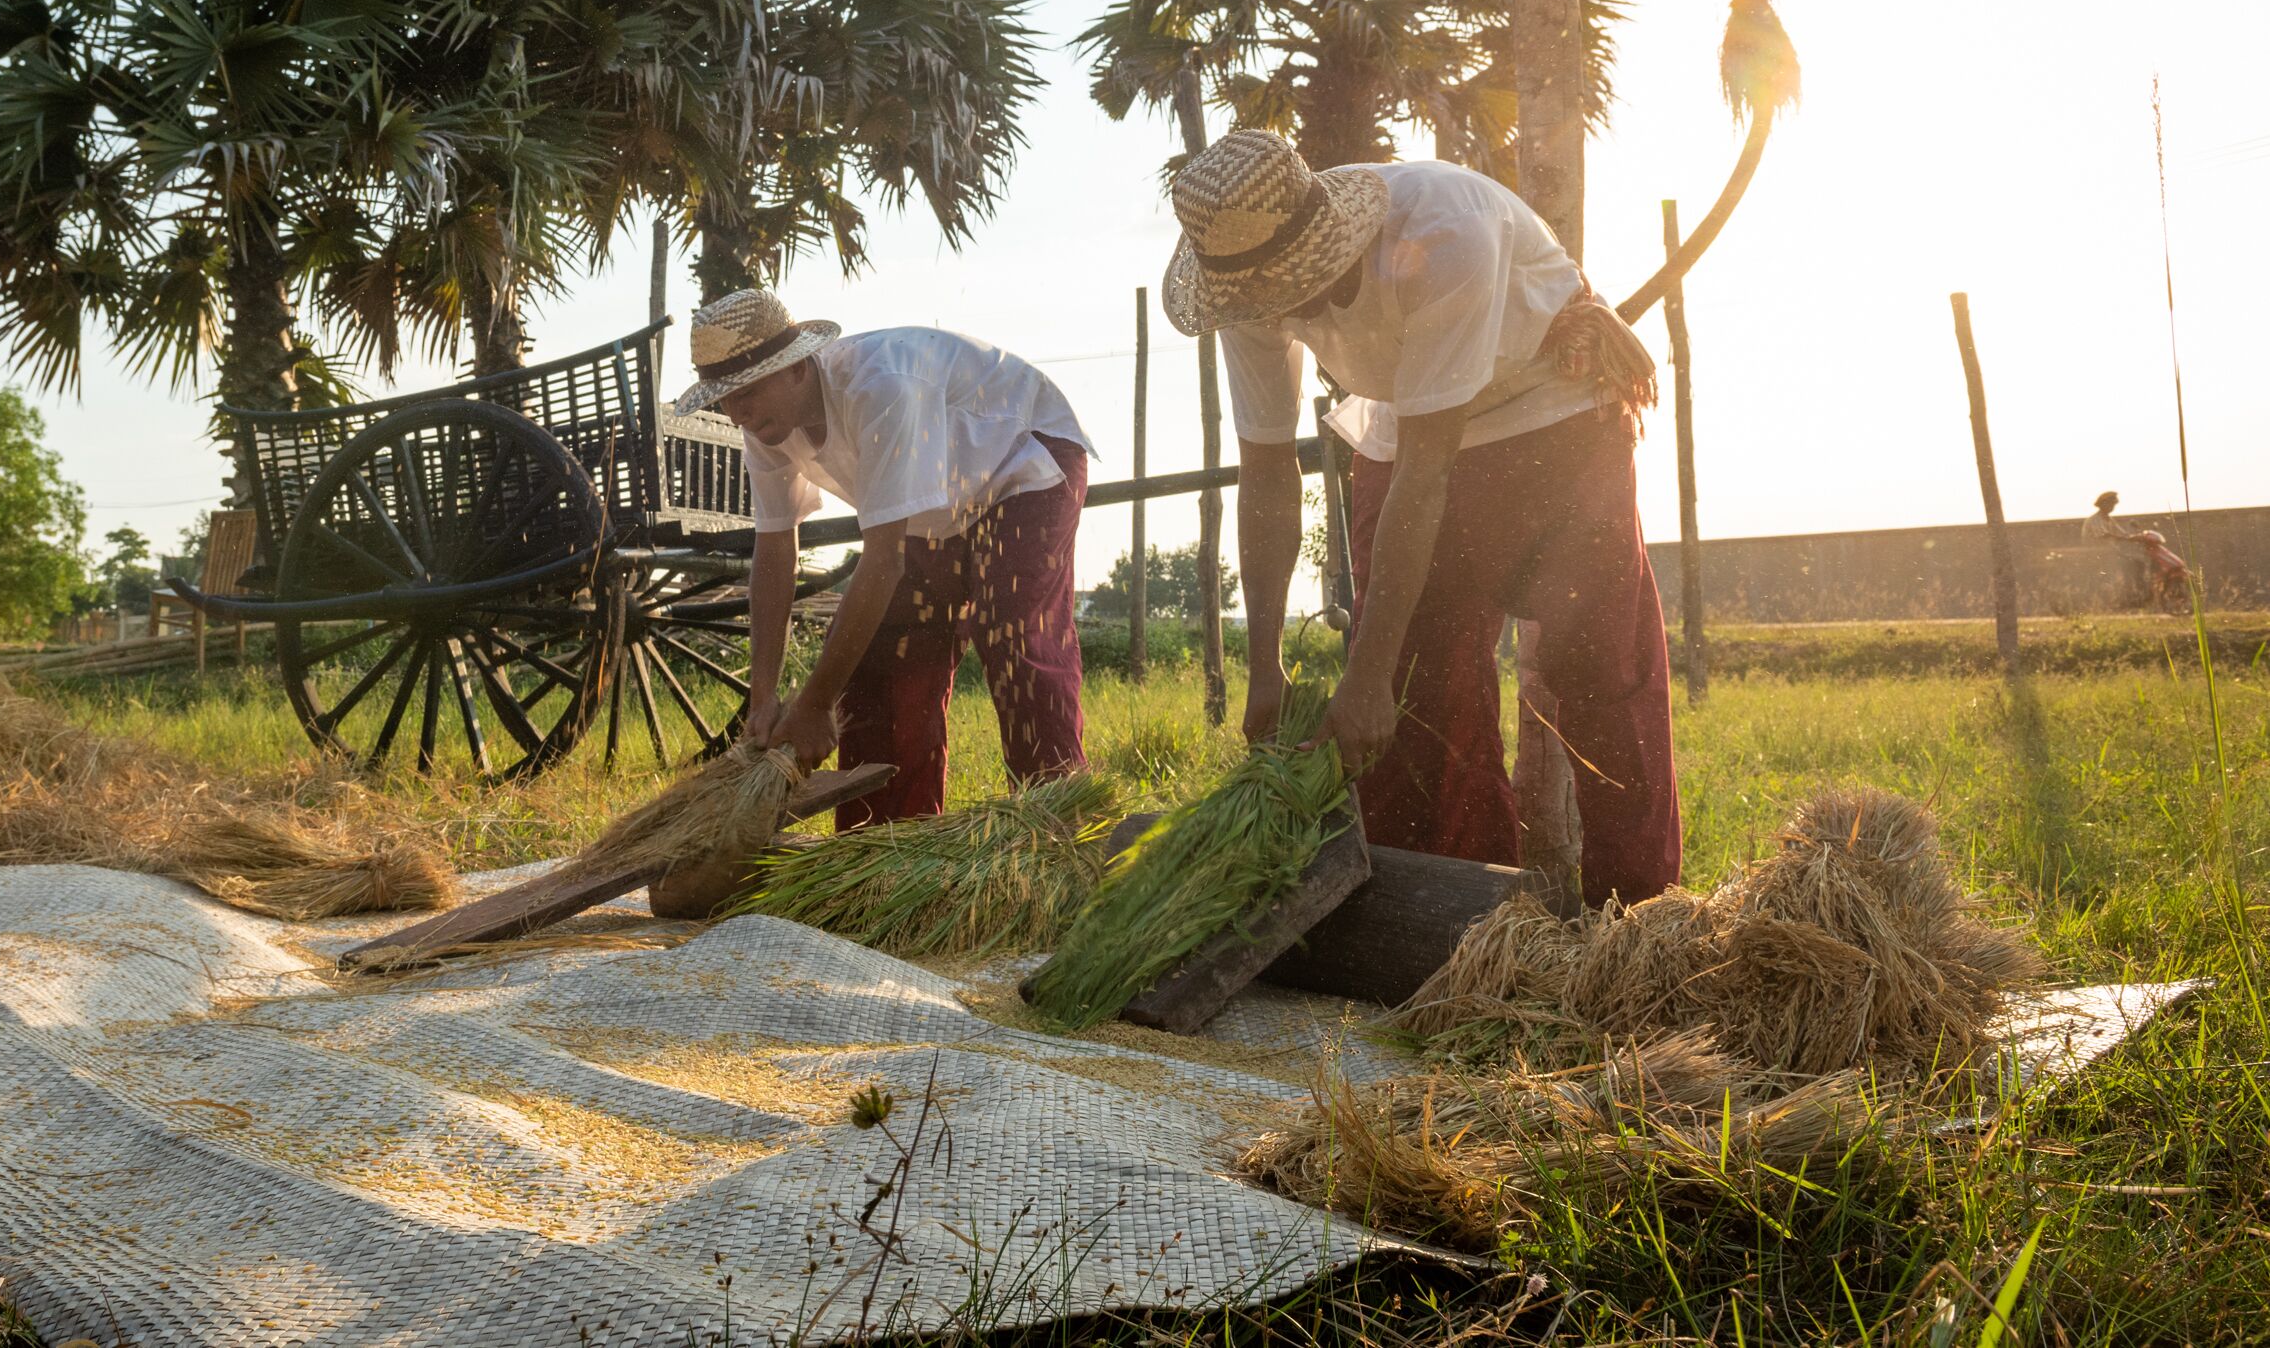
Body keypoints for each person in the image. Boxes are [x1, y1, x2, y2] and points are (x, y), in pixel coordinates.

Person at [1162, 128, 1680, 904]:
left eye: (1290, 286)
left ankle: (1640, 915)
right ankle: (1462, 918)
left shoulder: (1442, 235)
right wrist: (1264, 661)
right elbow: (1267, 471)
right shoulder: (1241, 281)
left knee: (1600, 658)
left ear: (1332, 238)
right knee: (1416, 691)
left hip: (1549, 412)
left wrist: (1363, 677)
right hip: (1406, 421)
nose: (1277, 310)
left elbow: (1431, 467)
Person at [673, 288, 1093, 828]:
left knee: (1009, 628)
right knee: (883, 652)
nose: (737, 413)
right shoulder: (764, 425)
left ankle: (1060, 825)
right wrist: (763, 696)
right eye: (725, 398)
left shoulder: (881, 387)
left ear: (798, 367)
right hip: (938, 499)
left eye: (747, 391)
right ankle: (884, 845)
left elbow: (883, 563)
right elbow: (776, 550)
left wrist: (816, 703)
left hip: (1023, 458)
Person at [2084, 490, 2193, 609]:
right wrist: (2124, 537)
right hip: (2099, 552)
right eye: (2110, 504)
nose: (2112, 507)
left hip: (2111, 551)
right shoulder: (2096, 519)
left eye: (2113, 505)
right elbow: (2103, 535)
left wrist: (2137, 536)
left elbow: (2122, 533)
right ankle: (2129, 594)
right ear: (2103, 504)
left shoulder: (2109, 519)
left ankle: (2137, 594)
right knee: (2131, 564)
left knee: (2138, 563)